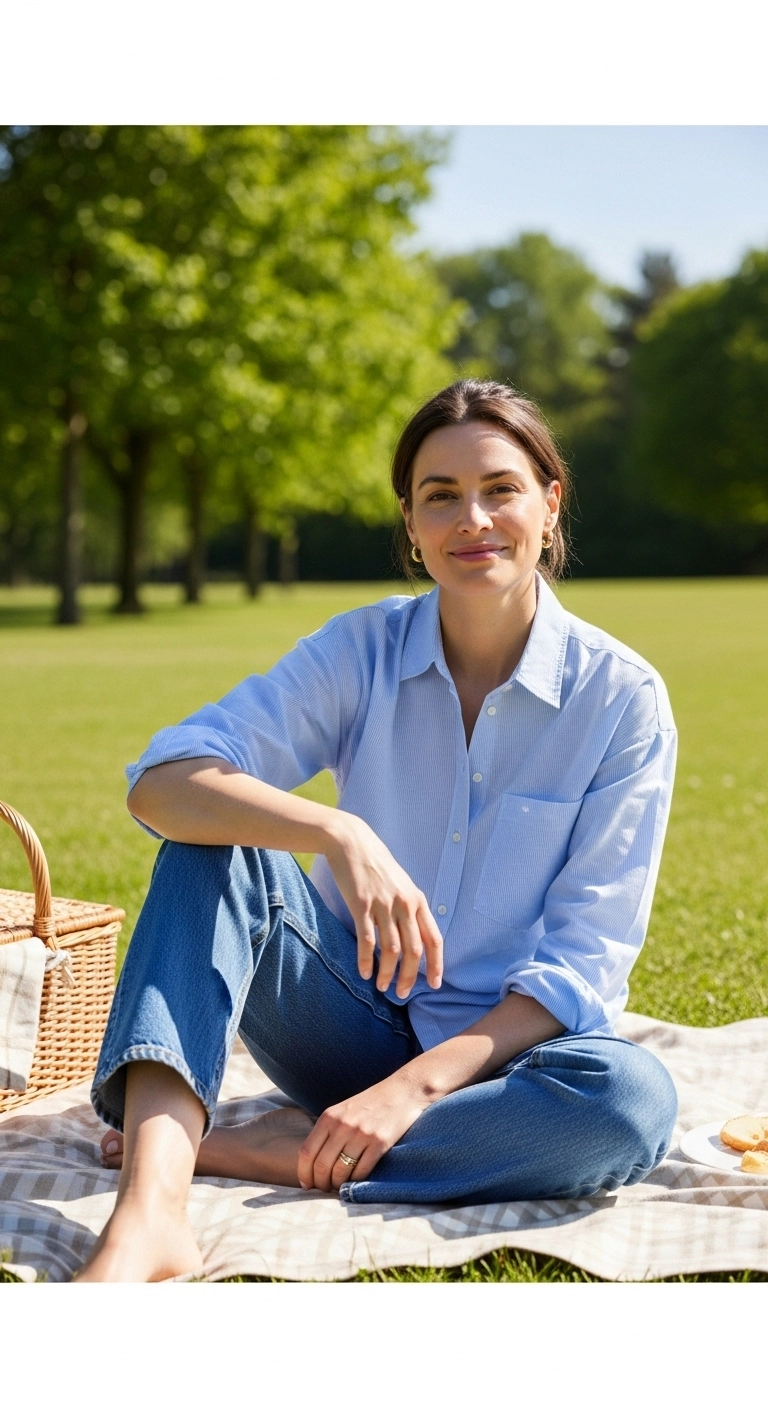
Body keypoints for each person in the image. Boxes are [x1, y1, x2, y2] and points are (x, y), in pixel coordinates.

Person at [78, 379, 678, 1282]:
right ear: (411, 523)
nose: (472, 518)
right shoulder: (357, 651)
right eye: (441, 495)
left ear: (550, 506)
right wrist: (336, 834)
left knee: (629, 1103)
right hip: (342, 1023)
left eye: (500, 488)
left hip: (504, 1068)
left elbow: (583, 964)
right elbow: (164, 784)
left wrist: (414, 1089)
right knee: (214, 847)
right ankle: (150, 1214)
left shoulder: (621, 699)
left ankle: (271, 1150)